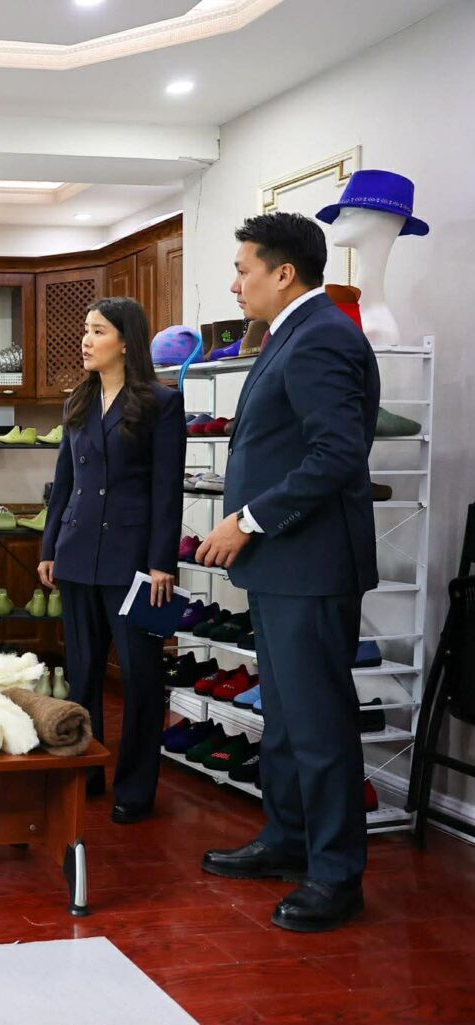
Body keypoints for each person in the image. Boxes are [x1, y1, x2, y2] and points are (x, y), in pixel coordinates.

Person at [196, 212, 379, 933]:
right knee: (284, 719)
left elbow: (337, 454)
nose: (235, 284)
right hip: (283, 565)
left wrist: (246, 520)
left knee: (319, 723)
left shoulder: (323, 335)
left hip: (311, 562)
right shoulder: (292, 334)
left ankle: (336, 875)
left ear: (283, 272)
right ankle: (287, 839)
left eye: (243, 269)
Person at [38, 297, 184, 825]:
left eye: (97, 331)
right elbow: (64, 485)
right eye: (85, 329)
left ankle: (136, 789)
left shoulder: (161, 403)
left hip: (134, 564)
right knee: (82, 676)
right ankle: (86, 774)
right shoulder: (78, 401)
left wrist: (162, 562)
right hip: (78, 556)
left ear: (125, 341)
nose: (85, 340)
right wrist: (49, 548)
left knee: (142, 679)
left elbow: (168, 489)